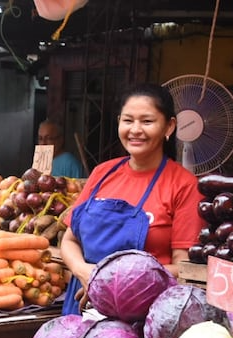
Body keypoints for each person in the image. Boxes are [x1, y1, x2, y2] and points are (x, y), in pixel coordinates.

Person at [59, 83, 204, 315]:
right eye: (128, 120)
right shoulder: (102, 173)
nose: (135, 129)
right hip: (82, 301)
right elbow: (69, 240)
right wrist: (83, 271)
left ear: (169, 126)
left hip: (142, 308)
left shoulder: (184, 185)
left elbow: (185, 268)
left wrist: (110, 281)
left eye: (147, 121)